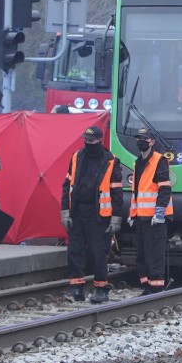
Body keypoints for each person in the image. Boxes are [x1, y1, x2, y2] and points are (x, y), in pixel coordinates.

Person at [60, 125, 123, 303]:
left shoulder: (111, 161)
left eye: (91, 140)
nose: (87, 143)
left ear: (99, 140)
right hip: (78, 212)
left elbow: (117, 194)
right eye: (85, 140)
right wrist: (65, 212)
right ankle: (76, 289)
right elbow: (67, 186)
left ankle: (101, 289)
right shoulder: (77, 157)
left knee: (98, 252)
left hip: (100, 216)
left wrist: (115, 219)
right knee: (75, 251)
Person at [128, 128, 173, 295]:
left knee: (154, 253)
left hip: (155, 217)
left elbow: (164, 189)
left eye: (144, 138)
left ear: (152, 141)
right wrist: (132, 215)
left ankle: (156, 287)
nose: (140, 141)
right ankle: (147, 286)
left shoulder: (159, 160)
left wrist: (159, 213)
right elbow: (137, 192)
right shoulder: (139, 161)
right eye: (138, 138)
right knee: (142, 254)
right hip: (141, 216)